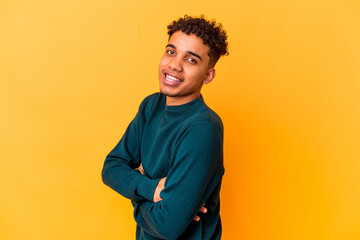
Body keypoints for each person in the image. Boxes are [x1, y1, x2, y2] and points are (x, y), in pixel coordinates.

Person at [102, 15, 229, 239]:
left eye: (191, 60)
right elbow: (111, 168)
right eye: (171, 52)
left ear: (208, 76)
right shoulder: (151, 106)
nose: (174, 65)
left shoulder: (202, 129)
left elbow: (167, 226)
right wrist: (153, 190)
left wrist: (136, 192)